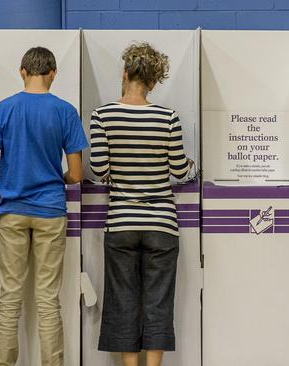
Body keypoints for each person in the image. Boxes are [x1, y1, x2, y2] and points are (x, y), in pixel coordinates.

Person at [0, 46, 88, 366]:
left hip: (12, 211)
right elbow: (77, 174)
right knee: (48, 300)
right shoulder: (65, 111)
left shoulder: (3, 109)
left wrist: (10, 176)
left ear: (22, 72)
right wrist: (55, 177)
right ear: (53, 73)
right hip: (51, 211)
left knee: (10, 298)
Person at [90, 42, 193, 366]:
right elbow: (179, 170)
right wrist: (191, 165)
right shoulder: (168, 118)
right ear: (152, 81)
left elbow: (100, 169)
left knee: (123, 302)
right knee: (158, 303)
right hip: (162, 223)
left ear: (124, 73)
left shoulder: (102, 116)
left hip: (121, 221)